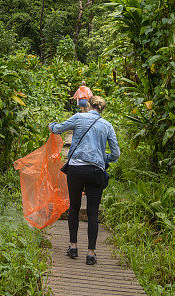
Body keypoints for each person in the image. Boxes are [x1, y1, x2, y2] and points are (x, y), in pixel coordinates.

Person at [49, 95, 120, 266]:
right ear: (103, 109)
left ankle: (73, 247)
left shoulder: (78, 117)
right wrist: (104, 158)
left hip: (76, 169)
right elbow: (116, 154)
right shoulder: (107, 125)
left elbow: (58, 129)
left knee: (74, 207)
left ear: (88, 105)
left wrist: (51, 125)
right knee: (93, 212)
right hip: (96, 170)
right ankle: (91, 253)